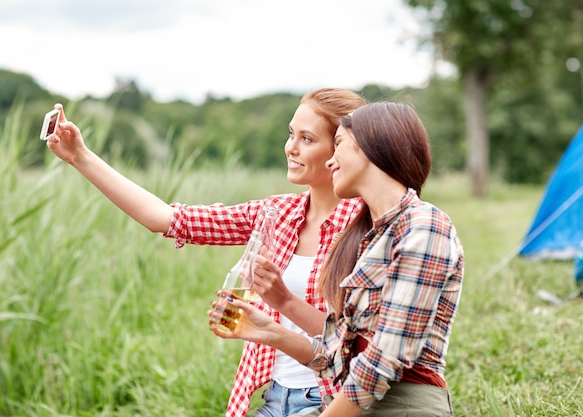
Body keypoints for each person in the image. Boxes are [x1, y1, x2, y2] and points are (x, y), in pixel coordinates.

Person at [44, 88, 367, 417]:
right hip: (274, 397)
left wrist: (282, 299)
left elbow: (354, 343)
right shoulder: (277, 213)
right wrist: (80, 157)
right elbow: (167, 219)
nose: (291, 147)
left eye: (307, 139)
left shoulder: (366, 227)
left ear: (338, 150)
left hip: (329, 400)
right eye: (290, 134)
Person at [210, 101, 464, 416]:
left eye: (339, 145)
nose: (331, 162)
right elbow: (340, 355)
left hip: (401, 405)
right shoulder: (367, 238)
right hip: (352, 404)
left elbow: (383, 360)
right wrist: (267, 331)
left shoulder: (424, 226)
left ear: (373, 147)